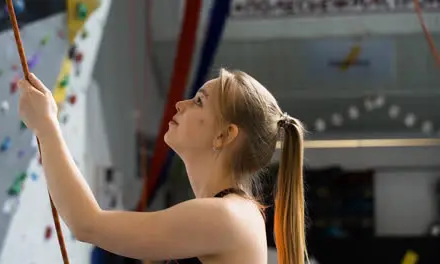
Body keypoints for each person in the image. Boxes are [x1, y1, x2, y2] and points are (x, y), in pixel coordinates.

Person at [18, 68, 307, 264]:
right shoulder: (233, 213)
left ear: (224, 135)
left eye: (198, 102)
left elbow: (88, 224)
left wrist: (46, 126)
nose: (181, 104)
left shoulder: (225, 216)